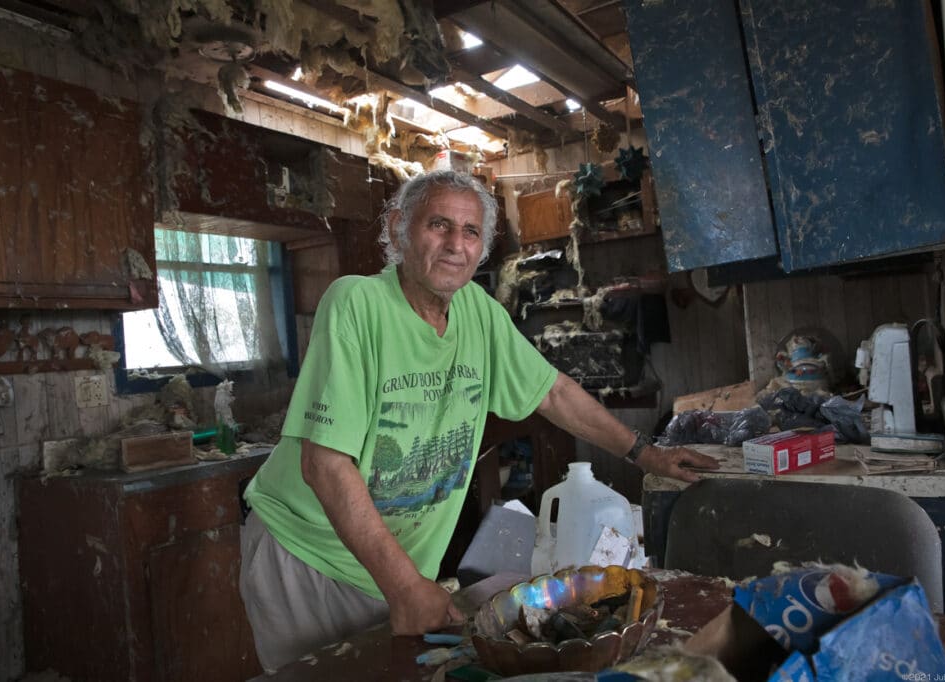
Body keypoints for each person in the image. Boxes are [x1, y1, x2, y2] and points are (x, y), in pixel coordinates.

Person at [239, 169, 718, 672]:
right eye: (439, 225)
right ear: (402, 228)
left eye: (470, 232)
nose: (455, 245)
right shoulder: (357, 303)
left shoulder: (479, 313)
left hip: (391, 563)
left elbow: (553, 393)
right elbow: (325, 464)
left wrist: (647, 453)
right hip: (308, 553)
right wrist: (405, 585)